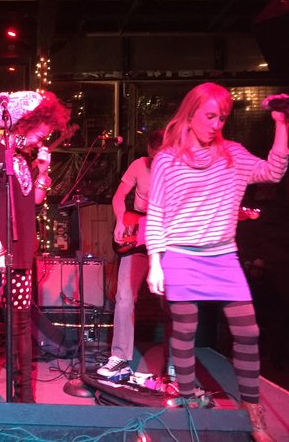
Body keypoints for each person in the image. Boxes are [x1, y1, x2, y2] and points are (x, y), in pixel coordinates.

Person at [146, 83, 287, 442]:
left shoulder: (233, 155)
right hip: (180, 255)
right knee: (185, 332)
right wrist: (155, 262)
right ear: (190, 114)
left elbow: (272, 172)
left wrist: (281, 125)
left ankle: (254, 412)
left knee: (248, 333)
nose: (216, 124)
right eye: (209, 116)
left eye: (221, 118)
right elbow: (156, 213)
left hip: (223, 256)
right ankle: (189, 400)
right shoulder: (167, 159)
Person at [0, 91, 71, 417]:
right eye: (40, 132)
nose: (41, 139)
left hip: (20, 254)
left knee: (21, 324)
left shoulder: (20, 160)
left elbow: (32, 201)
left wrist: (43, 173)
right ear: (23, 122)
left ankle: (24, 395)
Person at [97, 130, 168, 379]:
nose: (155, 163)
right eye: (153, 158)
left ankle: (175, 362)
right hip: (137, 239)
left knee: (174, 300)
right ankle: (119, 358)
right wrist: (120, 220)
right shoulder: (139, 165)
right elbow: (119, 197)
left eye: (161, 157)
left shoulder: (178, 169)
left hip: (166, 241)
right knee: (124, 296)